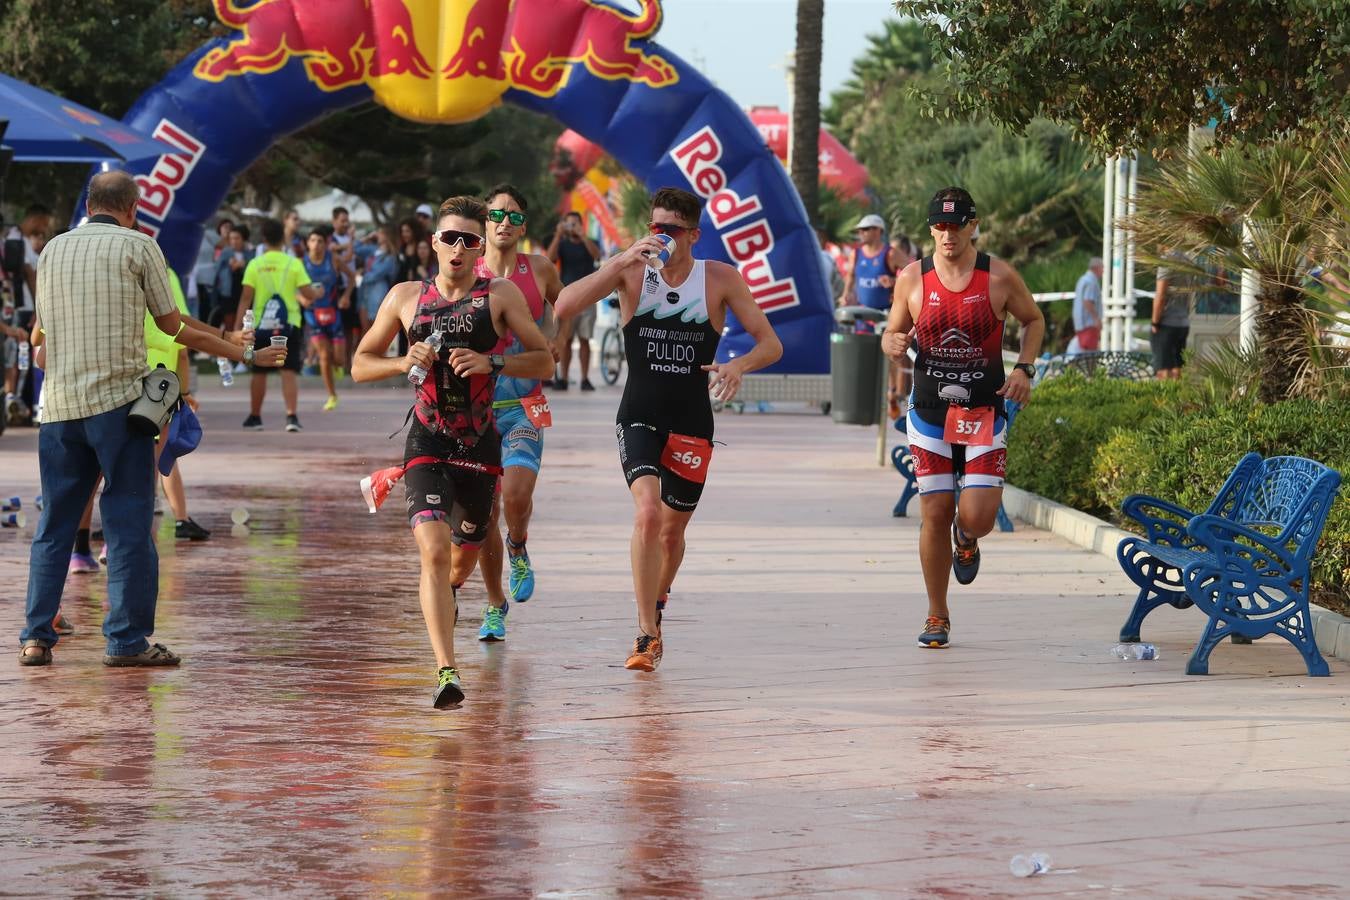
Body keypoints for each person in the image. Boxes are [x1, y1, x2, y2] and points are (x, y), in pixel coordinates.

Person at [20, 171, 283, 668]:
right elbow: (173, 325)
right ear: (133, 208)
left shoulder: (51, 250)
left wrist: (229, 337)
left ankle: (35, 638)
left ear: (89, 203)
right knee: (128, 527)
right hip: (119, 410)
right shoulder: (140, 248)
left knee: (53, 525)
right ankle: (126, 641)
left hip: (57, 410)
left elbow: (41, 335)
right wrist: (239, 353)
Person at [556, 187, 783, 671]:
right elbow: (563, 305)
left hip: (691, 422)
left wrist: (738, 365)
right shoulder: (632, 271)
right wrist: (618, 261)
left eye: (672, 230)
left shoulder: (719, 279)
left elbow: (770, 344)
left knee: (671, 532)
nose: (661, 237)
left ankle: (656, 604)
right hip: (638, 413)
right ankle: (644, 634)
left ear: (693, 235)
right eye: (655, 227)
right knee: (646, 515)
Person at [351, 195, 552, 707]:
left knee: (459, 565)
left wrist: (494, 363)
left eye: (469, 241)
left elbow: (544, 360)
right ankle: (446, 672)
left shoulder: (500, 295)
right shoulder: (404, 297)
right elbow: (359, 365)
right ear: (434, 244)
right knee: (434, 553)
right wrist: (401, 364)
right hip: (426, 438)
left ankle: (462, 599)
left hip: (480, 445)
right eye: (449, 239)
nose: (458, 249)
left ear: (479, 247)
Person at [881, 186, 1044, 650]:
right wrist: (890, 343)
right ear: (930, 228)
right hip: (930, 411)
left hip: (982, 409)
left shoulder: (999, 278)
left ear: (974, 225)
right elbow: (892, 334)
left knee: (978, 515)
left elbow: (1034, 320)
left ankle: (967, 538)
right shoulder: (912, 279)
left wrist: (1024, 369)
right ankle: (937, 613)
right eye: (940, 225)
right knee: (934, 510)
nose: (947, 234)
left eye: (956, 225)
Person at [472, 183, 563, 638]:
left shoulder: (540, 269)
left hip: (524, 405)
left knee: (515, 498)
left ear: (525, 225)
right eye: (497, 215)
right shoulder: (466, 268)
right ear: (484, 221)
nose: (505, 223)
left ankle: (519, 548)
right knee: (485, 511)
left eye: (515, 216)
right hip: (475, 407)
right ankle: (493, 605)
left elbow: (565, 306)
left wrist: (557, 338)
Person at [235, 218, 323, 432]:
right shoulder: (294, 264)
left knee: (259, 371)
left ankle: (255, 417)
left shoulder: (255, 265)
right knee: (289, 371)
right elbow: (307, 293)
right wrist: (318, 292)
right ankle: (291, 417)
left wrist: (239, 328)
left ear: (263, 239)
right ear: (283, 238)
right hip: (288, 325)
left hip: (260, 326)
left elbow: (246, 298)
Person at [547, 211, 601, 390]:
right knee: (566, 339)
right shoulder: (562, 244)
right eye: (569, 224)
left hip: (588, 297)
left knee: (585, 339)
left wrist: (583, 236)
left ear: (581, 224)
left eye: (575, 224)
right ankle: (563, 377)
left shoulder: (590, 242)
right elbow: (550, 259)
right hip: (567, 296)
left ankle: (585, 378)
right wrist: (558, 234)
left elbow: (597, 256)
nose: (572, 227)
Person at [301, 226, 348, 411]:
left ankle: (336, 366)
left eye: (320, 241)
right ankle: (332, 395)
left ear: (325, 244)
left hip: (333, 312)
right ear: (307, 244)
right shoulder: (301, 263)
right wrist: (301, 298)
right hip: (313, 314)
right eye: (313, 240)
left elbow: (351, 277)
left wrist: (345, 296)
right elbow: (291, 287)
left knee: (339, 360)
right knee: (324, 355)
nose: (316, 244)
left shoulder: (333, 259)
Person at [1152, 258, 1192, 379]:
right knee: (1177, 366)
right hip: (1183, 322)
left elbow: (1160, 296)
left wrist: (1155, 322)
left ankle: (1165, 397)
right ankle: (1177, 395)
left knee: (1163, 369)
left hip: (1167, 322)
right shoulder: (1187, 261)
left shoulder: (1166, 262)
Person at [1071, 257, 1104, 353]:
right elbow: (1088, 301)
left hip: (1080, 323)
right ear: (1096, 268)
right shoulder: (1091, 282)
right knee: (1089, 355)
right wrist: (1096, 319)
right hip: (1089, 324)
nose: (1103, 271)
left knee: (1083, 352)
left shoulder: (1082, 280)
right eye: (1102, 268)